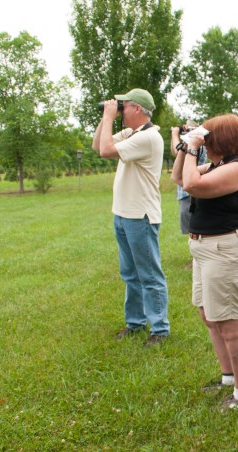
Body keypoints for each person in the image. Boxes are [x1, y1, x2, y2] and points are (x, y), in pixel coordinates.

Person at [171, 114, 238, 411]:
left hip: (226, 250)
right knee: (209, 317)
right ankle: (228, 378)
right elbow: (179, 179)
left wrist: (193, 146)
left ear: (218, 140)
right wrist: (185, 147)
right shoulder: (217, 165)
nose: (203, 140)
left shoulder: (236, 169)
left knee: (230, 326)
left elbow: (192, 185)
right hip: (205, 249)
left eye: (207, 136)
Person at [92, 88, 170, 347]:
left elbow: (105, 151)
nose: (121, 109)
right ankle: (135, 323)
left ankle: (160, 328)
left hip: (141, 216)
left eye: (124, 105)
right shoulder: (132, 133)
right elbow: (97, 145)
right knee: (130, 274)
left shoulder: (148, 137)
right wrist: (106, 117)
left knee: (149, 275)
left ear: (137, 108)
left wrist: (109, 117)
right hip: (124, 214)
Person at [170, 121, 206, 270]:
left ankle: (198, 260)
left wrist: (174, 134)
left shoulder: (198, 145)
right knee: (191, 227)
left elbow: (175, 151)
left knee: (194, 226)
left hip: (190, 192)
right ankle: (197, 259)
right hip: (185, 191)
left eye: (188, 128)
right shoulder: (190, 145)